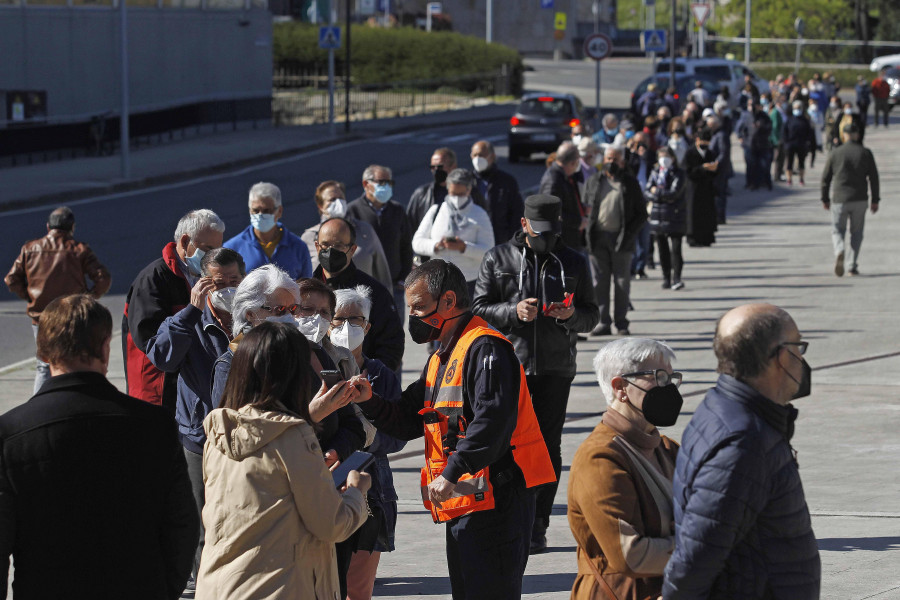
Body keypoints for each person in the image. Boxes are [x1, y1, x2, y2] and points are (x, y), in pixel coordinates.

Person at [352, 259, 555, 599]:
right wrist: (370, 400)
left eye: (419, 307)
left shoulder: (486, 348)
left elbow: (491, 422)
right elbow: (407, 418)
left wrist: (451, 471)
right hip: (467, 498)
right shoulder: (443, 356)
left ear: (448, 301)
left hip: (498, 498)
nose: (413, 317)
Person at [0, 294, 198, 599]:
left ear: (43, 353)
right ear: (106, 348)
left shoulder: (12, 434)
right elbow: (181, 526)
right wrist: (165, 589)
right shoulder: (154, 426)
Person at [197, 322, 370, 600]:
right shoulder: (292, 437)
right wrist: (356, 493)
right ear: (295, 375)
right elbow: (332, 524)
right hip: (278, 589)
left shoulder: (218, 434)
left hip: (219, 587)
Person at [662, 304, 821, 599]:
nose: (802, 358)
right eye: (799, 347)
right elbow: (694, 561)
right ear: (781, 357)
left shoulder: (729, 411)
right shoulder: (744, 443)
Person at [473, 194, 599, 554]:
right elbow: (479, 308)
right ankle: (503, 517)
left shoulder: (573, 259)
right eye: (538, 231)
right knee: (501, 442)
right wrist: (514, 311)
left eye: (551, 232)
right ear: (524, 224)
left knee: (546, 446)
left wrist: (568, 316)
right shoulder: (498, 258)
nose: (544, 238)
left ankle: (537, 523)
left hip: (555, 368)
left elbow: (592, 315)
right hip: (508, 366)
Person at [144, 247, 244, 591]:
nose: (228, 288)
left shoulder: (254, 320)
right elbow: (162, 358)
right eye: (219, 282)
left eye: (234, 280)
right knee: (201, 522)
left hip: (243, 437)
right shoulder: (189, 321)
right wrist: (192, 310)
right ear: (204, 283)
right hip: (198, 438)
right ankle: (205, 588)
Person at [569, 338, 683, 599]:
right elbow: (630, 555)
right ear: (620, 387)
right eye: (658, 377)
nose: (668, 388)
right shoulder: (599, 457)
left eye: (671, 378)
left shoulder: (668, 449)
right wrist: (708, 548)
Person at [330, 286, 407, 600]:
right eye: (338, 319)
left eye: (356, 319)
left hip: (371, 493)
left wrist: (370, 435)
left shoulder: (381, 375)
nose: (347, 327)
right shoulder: (312, 371)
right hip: (324, 488)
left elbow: (399, 435)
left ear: (368, 326)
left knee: (358, 589)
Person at [123, 209, 224, 411]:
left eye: (217, 250)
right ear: (186, 242)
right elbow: (150, 341)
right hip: (157, 392)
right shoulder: (153, 279)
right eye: (208, 249)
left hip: (188, 390)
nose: (213, 257)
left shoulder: (200, 275)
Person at [4, 206, 111, 394]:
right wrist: (87, 299)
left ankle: (39, 406)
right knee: (75, 363)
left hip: (42, 317)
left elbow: (11, 279)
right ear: (72, 227)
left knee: (44, 365)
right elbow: (103, 278)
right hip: (73, 317)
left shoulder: (30, 249)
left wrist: (29, 296)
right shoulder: (79, 250)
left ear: (48, 227)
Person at [314, 217, 405, 372]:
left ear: (353, 249)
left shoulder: (373, 292)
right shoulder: (308, 292)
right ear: (317, 246)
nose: (330, 251)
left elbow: (391, 344)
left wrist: (371, 376)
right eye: (325, 245)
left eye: (338, 246)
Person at [584, 146, 648, 336]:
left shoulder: (629, 183)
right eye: (609, 158)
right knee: (599, 283)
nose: (611, 162)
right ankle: (603, 322)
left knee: (622, 283)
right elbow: (586, 206)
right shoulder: (594, 181)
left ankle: (621, 323)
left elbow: (641, 214)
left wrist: (630, 234)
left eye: (616, 159)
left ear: (622, 162)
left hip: (622, 239)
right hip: (597, 238)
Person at [346, 164, 413, 324]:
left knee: (393, 335)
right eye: (381, 182)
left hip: (393, 289)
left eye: (389, 183)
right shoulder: (352, 211)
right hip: (363, 291)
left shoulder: (397, 210)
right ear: (365, 184)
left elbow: (406, 247)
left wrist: (402, 280)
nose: (386, 187)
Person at [412, 168, 495, 298]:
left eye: (460, 194)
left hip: (469, 282)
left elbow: (489, 251)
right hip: (438, 282)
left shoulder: (479, 215)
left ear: (468, 190)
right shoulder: (436, 211)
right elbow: (417, 242)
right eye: (453, 194)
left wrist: (464, 247)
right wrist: (436, 246)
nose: (456, 198)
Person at [302, 180, 393, 292]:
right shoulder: (309, 237)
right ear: (320, 206)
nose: (338, 202)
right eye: (332, 199)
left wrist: (388, 302)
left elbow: (382, 274)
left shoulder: (364, 230)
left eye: (341, 198)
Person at [821, 122, 880, 277]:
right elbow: (874, 178)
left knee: (837, 229)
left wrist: (824, 198)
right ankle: (852, 265)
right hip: (860, 199)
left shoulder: (835, 153)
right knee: (857, 232)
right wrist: (875, 199)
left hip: (840, 198)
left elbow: (825, 178)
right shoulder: (866, 153)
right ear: (857, 135)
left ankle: (839, 249)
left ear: (844, 135)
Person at [223, 182, 312, 279]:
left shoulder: (298, 247)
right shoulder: (232, 248)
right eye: (256, 210)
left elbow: (307, 288)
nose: (260, 215)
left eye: (266, 211)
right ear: (249, 211)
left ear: (279, 211)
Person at [646, 146, 687, 290]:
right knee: (662, 249)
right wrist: (660, 194)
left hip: (675, 215)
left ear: (673, 158)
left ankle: (677, 278)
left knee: (676, 249)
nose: (664, 160)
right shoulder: (655, 172)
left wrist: (656, 192)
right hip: (658, 216)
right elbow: (647, 191)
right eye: (661, 156)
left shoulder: (679, 173)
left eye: (667, 157)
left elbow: (674, 193)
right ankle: (666, 277)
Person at [471, 140, 524, 245]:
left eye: (482, 155)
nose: (478, 159)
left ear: (492, 156)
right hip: (473, 242)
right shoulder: (467, 181)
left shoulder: (506, 181)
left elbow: (517, 212)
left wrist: (509, 239)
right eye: (475, 155)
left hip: (499, 241)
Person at [539, 141, 586, 251]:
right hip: (561, 243)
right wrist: (578, 222)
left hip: (571, 240)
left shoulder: (567, 176)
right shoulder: (553, 181)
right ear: (573, 163)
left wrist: (583, 209)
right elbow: (550, 214)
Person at [684, 128, 718, 247]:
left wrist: (713, 169)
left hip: (706, 188)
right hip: (694, 188)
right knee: (693, 213)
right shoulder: (690, 153)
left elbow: (715, 171)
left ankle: (706, 238)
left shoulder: (710, 153)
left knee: (706, 213)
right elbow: (687, 171)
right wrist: (702, 168)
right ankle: (693, 238)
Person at [783, 100, 816, 186]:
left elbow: (809, 133)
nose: (797, 110)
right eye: (795, 108)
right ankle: (789, 179)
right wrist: (786, 142)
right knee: (789, 163)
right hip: (790, 144)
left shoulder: (805, 120)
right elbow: (784, 132)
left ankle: (801, 179)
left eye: (798, 108)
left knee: (801, 163)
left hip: (801, 144)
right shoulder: (789, 119)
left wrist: (807, 142)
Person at [707, 114, 732, 224]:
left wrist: (715, 164)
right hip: (716, 169)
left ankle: (719, 216)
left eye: (710, 125)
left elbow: (723, 153)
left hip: (719, 170)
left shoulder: (721, 135)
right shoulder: (715, 135)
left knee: (719, 193)